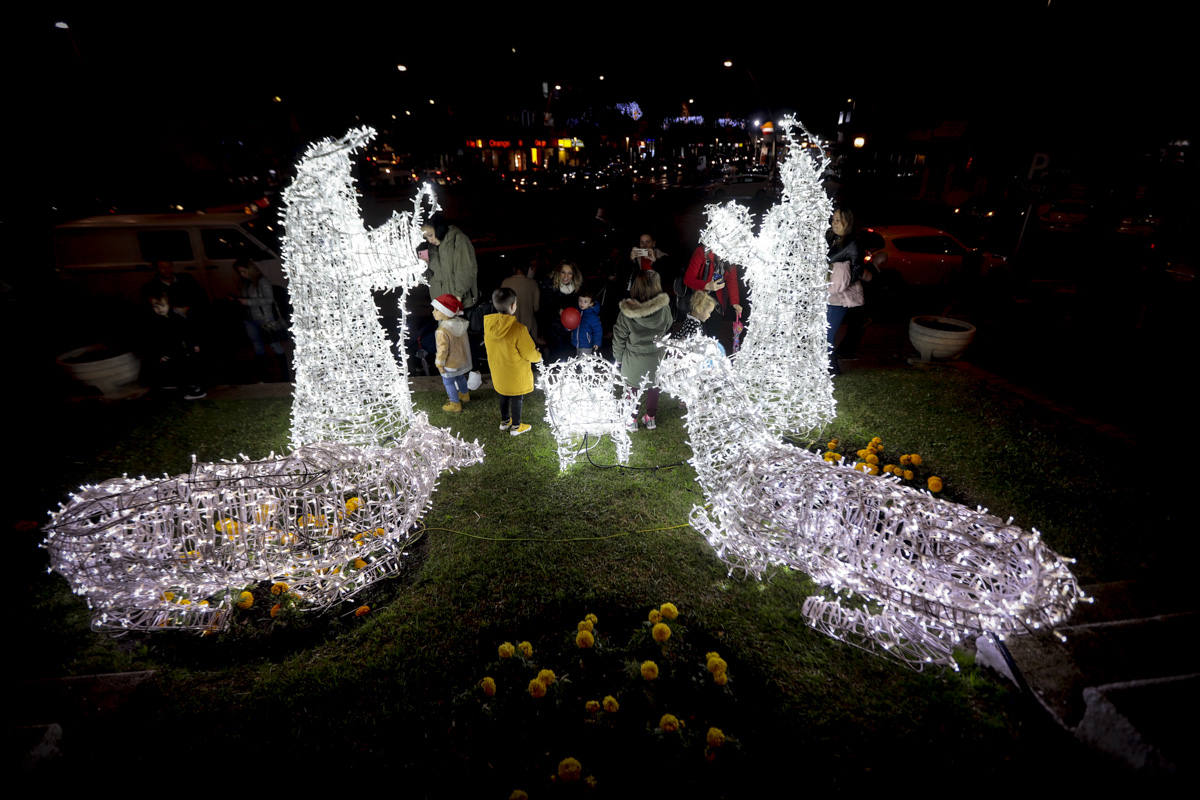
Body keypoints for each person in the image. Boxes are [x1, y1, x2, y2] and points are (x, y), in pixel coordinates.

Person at [613, 270, 673, 431]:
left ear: (636, 287)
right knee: (654, 387)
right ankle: (650, 418)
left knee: (632, 389)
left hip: (633, 359)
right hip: (656, 358)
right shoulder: (665, 309)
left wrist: (618, 358)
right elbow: (668, 325)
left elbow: (619, 337)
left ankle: (631, 419)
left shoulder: (627, 313)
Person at [484, 287, 542, 437]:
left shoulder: (489, 327)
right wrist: (538, 356)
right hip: (515, 373)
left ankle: (505, 422)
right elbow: (529, 353)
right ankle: (516, 426)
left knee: (503, 395)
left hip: (499, 371)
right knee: (517, 398)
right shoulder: (519, 329)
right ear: (513, 306)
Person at [826, 208, 871, 375]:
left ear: (848, 222)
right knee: (824, 333)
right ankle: (828, 369)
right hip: (827, 294)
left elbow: (857, 269)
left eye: (838, 220)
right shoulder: (831, 239)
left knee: (827, 334)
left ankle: (832, 370)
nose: (834, 223)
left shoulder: (852, 243)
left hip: (839, 296)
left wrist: (842, 284)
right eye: (833, 219)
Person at [141, 290, 206, 399]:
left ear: (168, 305)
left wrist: (194, 344)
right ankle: (185, 390)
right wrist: (160, 354)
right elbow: (153, 341)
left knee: (190, 367)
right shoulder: (154, 322)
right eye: (155, 307)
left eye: (162, 306)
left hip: (182, 349)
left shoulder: (176, 317)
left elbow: (187, 332)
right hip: (168, 351)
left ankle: (194, 386)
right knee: (177, 371)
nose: (159, 309)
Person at [233, 257, 287, 380]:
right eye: (240, 272)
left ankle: (284, 374)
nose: (242, 274)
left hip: (265, 318)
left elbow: (269, 299)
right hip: (250, 318)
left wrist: (247, 302)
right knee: (257, 345)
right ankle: (264, 374)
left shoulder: (262, 281)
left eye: (243, 271)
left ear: (250, 270)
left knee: (274, 344)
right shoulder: (245, 283)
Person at [682, 245, 742, 353]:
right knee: (695, 334)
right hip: (699, 298)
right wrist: (706, 285)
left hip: (716, 302)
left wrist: (735, 303)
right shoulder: (703, 251)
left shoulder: (732, 254)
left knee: (712, 336)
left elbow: (732, 280)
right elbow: (688, 279)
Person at [421, 212, 480, 311]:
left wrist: (458, 298)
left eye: (430, 235)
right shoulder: (429, 248)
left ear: (438, 228)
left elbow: (466, 269)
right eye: (426, 238)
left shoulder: (458, 239)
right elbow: (429, 277)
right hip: (440, 306)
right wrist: (422, 264)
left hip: (460, 304)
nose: (430, 240)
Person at [432, 293, 472, 413]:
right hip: (461, 360)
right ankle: (465, 395)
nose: (433, 312)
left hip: (450, 362)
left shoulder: (442, 331)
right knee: (460, 377)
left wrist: (439, 363)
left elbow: (442, 350)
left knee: (448, 382)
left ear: (446, 312)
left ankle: (455, 403)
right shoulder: (460, 324)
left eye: (436, 310)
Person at [544, 261, 583, 360]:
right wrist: (558, 310)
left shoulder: (577, 289)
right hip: (555, 331)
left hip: (572, 332)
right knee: (557, 358)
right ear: (558, 273)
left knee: (570, 358)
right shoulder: (550, 286)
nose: (566, 276)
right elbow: (545, 307)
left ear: (573, 275)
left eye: (569, 273)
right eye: (563, 272)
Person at [500, 260, 541, 343]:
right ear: (526, 269)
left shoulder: (505, 282)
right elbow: (536, 308)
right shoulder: (533, 283)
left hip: (510, 328)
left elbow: (501, 308)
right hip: (528, 329)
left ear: (514, 269)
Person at [570, 286, 603, 356]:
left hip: (586, 345)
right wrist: (568, 327)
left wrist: (597, 342)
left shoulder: (592, 316)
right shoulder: (576, 312)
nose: (582, 303)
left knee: (584, 362)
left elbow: (598, 330)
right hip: (575, 343)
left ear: (591, 303)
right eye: (580, 300)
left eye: (585, 301)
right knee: (575, 362)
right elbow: (570, 323)